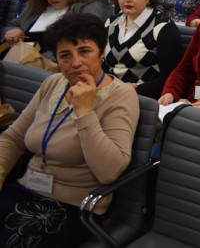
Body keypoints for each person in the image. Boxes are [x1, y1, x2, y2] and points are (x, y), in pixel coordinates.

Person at [0, 13, 139, 247]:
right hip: (25, 190)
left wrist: (84, 112)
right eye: (65, 55)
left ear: (102, 52)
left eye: (85, 51)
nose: (75, 63)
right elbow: (13, 138)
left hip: (74, 206)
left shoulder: (121, 96)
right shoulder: (53, 83)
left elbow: (109, 172)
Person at [2, 0, 111, 61]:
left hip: (55, 66)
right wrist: (13, 30)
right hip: (20, 63)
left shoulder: (92, 5)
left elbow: (82, 43)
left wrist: (36, 60)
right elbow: (13, 24)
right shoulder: (37, 4)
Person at [103, 0, 183, 99]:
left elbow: (171, 77)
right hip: (109, 95)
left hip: (145, 99)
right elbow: (102, 66)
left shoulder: (163, 26)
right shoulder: (110, 23)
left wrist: (131, 91)